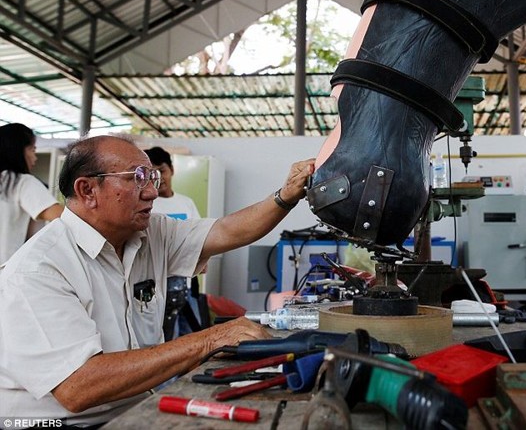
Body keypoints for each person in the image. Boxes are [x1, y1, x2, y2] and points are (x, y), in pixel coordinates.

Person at [0, 134, 314, 426]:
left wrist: (285, 196)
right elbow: (78, 388)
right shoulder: (38, 270)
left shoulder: (151, 233)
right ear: (87, 191)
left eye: (151, 177)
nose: (152, 191)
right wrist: (211, 338)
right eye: (136, 178)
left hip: (130, 409)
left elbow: (226, 231)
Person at [144, 146, 204, 341]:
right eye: (151, 173)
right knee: (163, 341)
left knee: (192, 339)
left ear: (172, 170)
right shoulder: (145, 203)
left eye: (161, 170)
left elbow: (198, 237)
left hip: (185, 285)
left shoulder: (186, 203)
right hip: (154, 290)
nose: (158, 177)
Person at [0, 123, 63, 264]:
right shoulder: (20, 182)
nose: (35, 158)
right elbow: (61, 216)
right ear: (16, 150)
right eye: (32, 150)